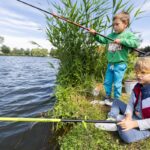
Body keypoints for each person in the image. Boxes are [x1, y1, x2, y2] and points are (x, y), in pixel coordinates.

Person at [89, 12, 140, 106]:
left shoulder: (127, 35)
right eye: (113, 25)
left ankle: (116, 99)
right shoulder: (111, 36)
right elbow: (102, 40)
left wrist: (121, 41)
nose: (114, 27)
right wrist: (95, 34)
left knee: (117, 83)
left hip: (120, 64)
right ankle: (107, 96)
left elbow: (135, 43)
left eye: (117, 24)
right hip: (110, 63)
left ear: (125, 24)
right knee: (107, 81)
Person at [95, 57, 150, 143]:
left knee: (127, 136)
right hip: (135, 116)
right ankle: (111, 119)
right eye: (136, 72)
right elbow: (131, 103)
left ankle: (119, 125)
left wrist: (133, 124)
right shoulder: (137, 86)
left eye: (143, 72)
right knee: (116, 102)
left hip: (146, 125)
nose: (138, 75)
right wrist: (128, 117)